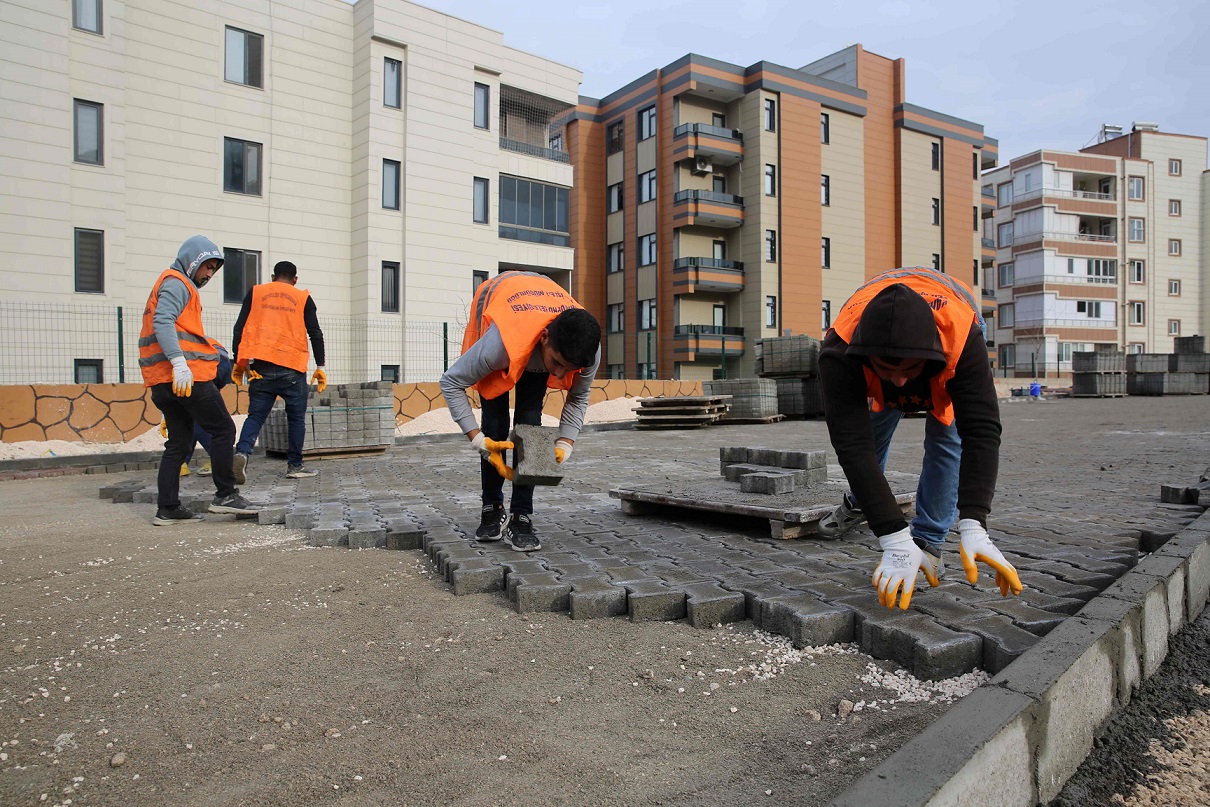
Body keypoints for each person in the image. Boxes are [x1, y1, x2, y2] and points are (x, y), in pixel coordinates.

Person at [817, 266, 1022, 609]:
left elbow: (982, 431)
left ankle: (927, 541)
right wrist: (892, 537)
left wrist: (974, 523)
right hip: (871, 328)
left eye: (908, 371)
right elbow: (853, 445)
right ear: (867, 357)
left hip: (952, 308)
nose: (898, 382)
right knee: (874, 429)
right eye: (887, 370)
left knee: (947, 437)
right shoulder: (840, 351)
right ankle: (861, 503)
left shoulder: (962, 340)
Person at [440, 271, 601, 552]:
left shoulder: (588, 351)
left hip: (539, 309)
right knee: (495, 422)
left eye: (569, 370)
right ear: (545, 337)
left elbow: (578, 397)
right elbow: (451, 382)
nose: (560, 373)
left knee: (531, 424)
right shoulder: (499, 345)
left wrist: (566, 443)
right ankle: (491, 507)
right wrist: (478, 440)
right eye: (557, 362)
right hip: (505, 310)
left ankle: (521, 516)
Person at [139, 236, 259, 525]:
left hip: (162, 382)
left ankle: (168, 507)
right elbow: (163, 321)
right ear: (192, 260)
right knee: (223, 430)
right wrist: (180, 364)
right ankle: (225, 495)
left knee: (178, 444)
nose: (209, 274)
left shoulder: (173, 284)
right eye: (207, 267)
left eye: (213, 270)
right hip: (185, 378)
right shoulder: (177, 283)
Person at [231, 261, 327, 481]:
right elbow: (315, 333)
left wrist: (239, 361)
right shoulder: (302, 297)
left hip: (261, 366)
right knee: (296, 419)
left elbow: (240, 328)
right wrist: (320, 366)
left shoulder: (256, 292)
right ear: (295, 279)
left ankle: (242, 452)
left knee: (255, 416)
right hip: (292, 368)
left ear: (273, 277)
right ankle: (294, 466)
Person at [161, 338, 233, 477]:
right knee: (193, 413)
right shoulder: (183, 338)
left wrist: (165, 417)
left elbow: (168, 388)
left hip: (204, 363)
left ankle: (217, 458)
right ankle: (183, 462)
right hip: (220, 360)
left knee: (199, 415)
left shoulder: (168, 350)